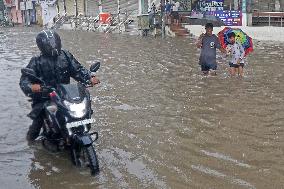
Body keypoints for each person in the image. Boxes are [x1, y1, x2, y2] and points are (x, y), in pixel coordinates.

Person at [19, 30, 100, 141]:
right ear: (42, 46)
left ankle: (79, 130)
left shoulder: (65, 55)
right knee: (38, 120)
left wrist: (89, 78)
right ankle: (31, 143)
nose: (53, 46)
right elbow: (24, 80)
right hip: (45, 96)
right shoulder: (36, 61)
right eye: (49, 44)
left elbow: (77, 70)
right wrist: (32, 87)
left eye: (54, 42)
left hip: (64, 94)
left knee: (85, 109)